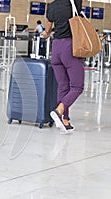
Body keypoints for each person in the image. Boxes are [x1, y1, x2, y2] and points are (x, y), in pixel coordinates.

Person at [42, 0, 87, 134]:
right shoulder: (73, 2)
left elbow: (48, 30)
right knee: (77, 86)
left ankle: (65, 121)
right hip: (70, 47)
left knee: (63, 86)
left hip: (56, 48)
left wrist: (45, 33)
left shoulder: (51, 6)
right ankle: (59, 110)